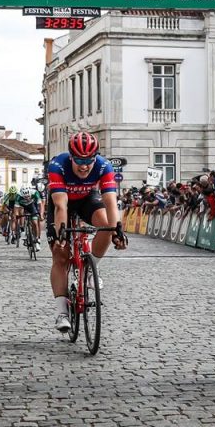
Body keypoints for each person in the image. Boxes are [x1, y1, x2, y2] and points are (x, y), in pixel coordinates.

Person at [46, 131, 127, 332]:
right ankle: (62, 312)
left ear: (96, 156)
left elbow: (110, 200)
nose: (84, 165)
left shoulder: (103, 166)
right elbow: (60, 206)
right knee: (60, 255)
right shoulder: (58, 165)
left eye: (89, 160)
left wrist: (117, 229)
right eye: (79, 160)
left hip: (86, 199)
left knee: (107, 225)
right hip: (61, 201)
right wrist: (61, 232)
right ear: (71, 156)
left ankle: (90, 270)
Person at [17, 186, 42, 252]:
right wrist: (17, 215)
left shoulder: (35, 193)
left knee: (35, 222)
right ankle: (23, 231)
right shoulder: (18, 196)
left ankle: (37, 239)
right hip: (23, 207)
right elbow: (16, 208)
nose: (27, 198)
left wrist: (41, 214)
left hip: (32, 206)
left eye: (28, 196)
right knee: (21, 213)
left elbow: (40, 205)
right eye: (25, 197)